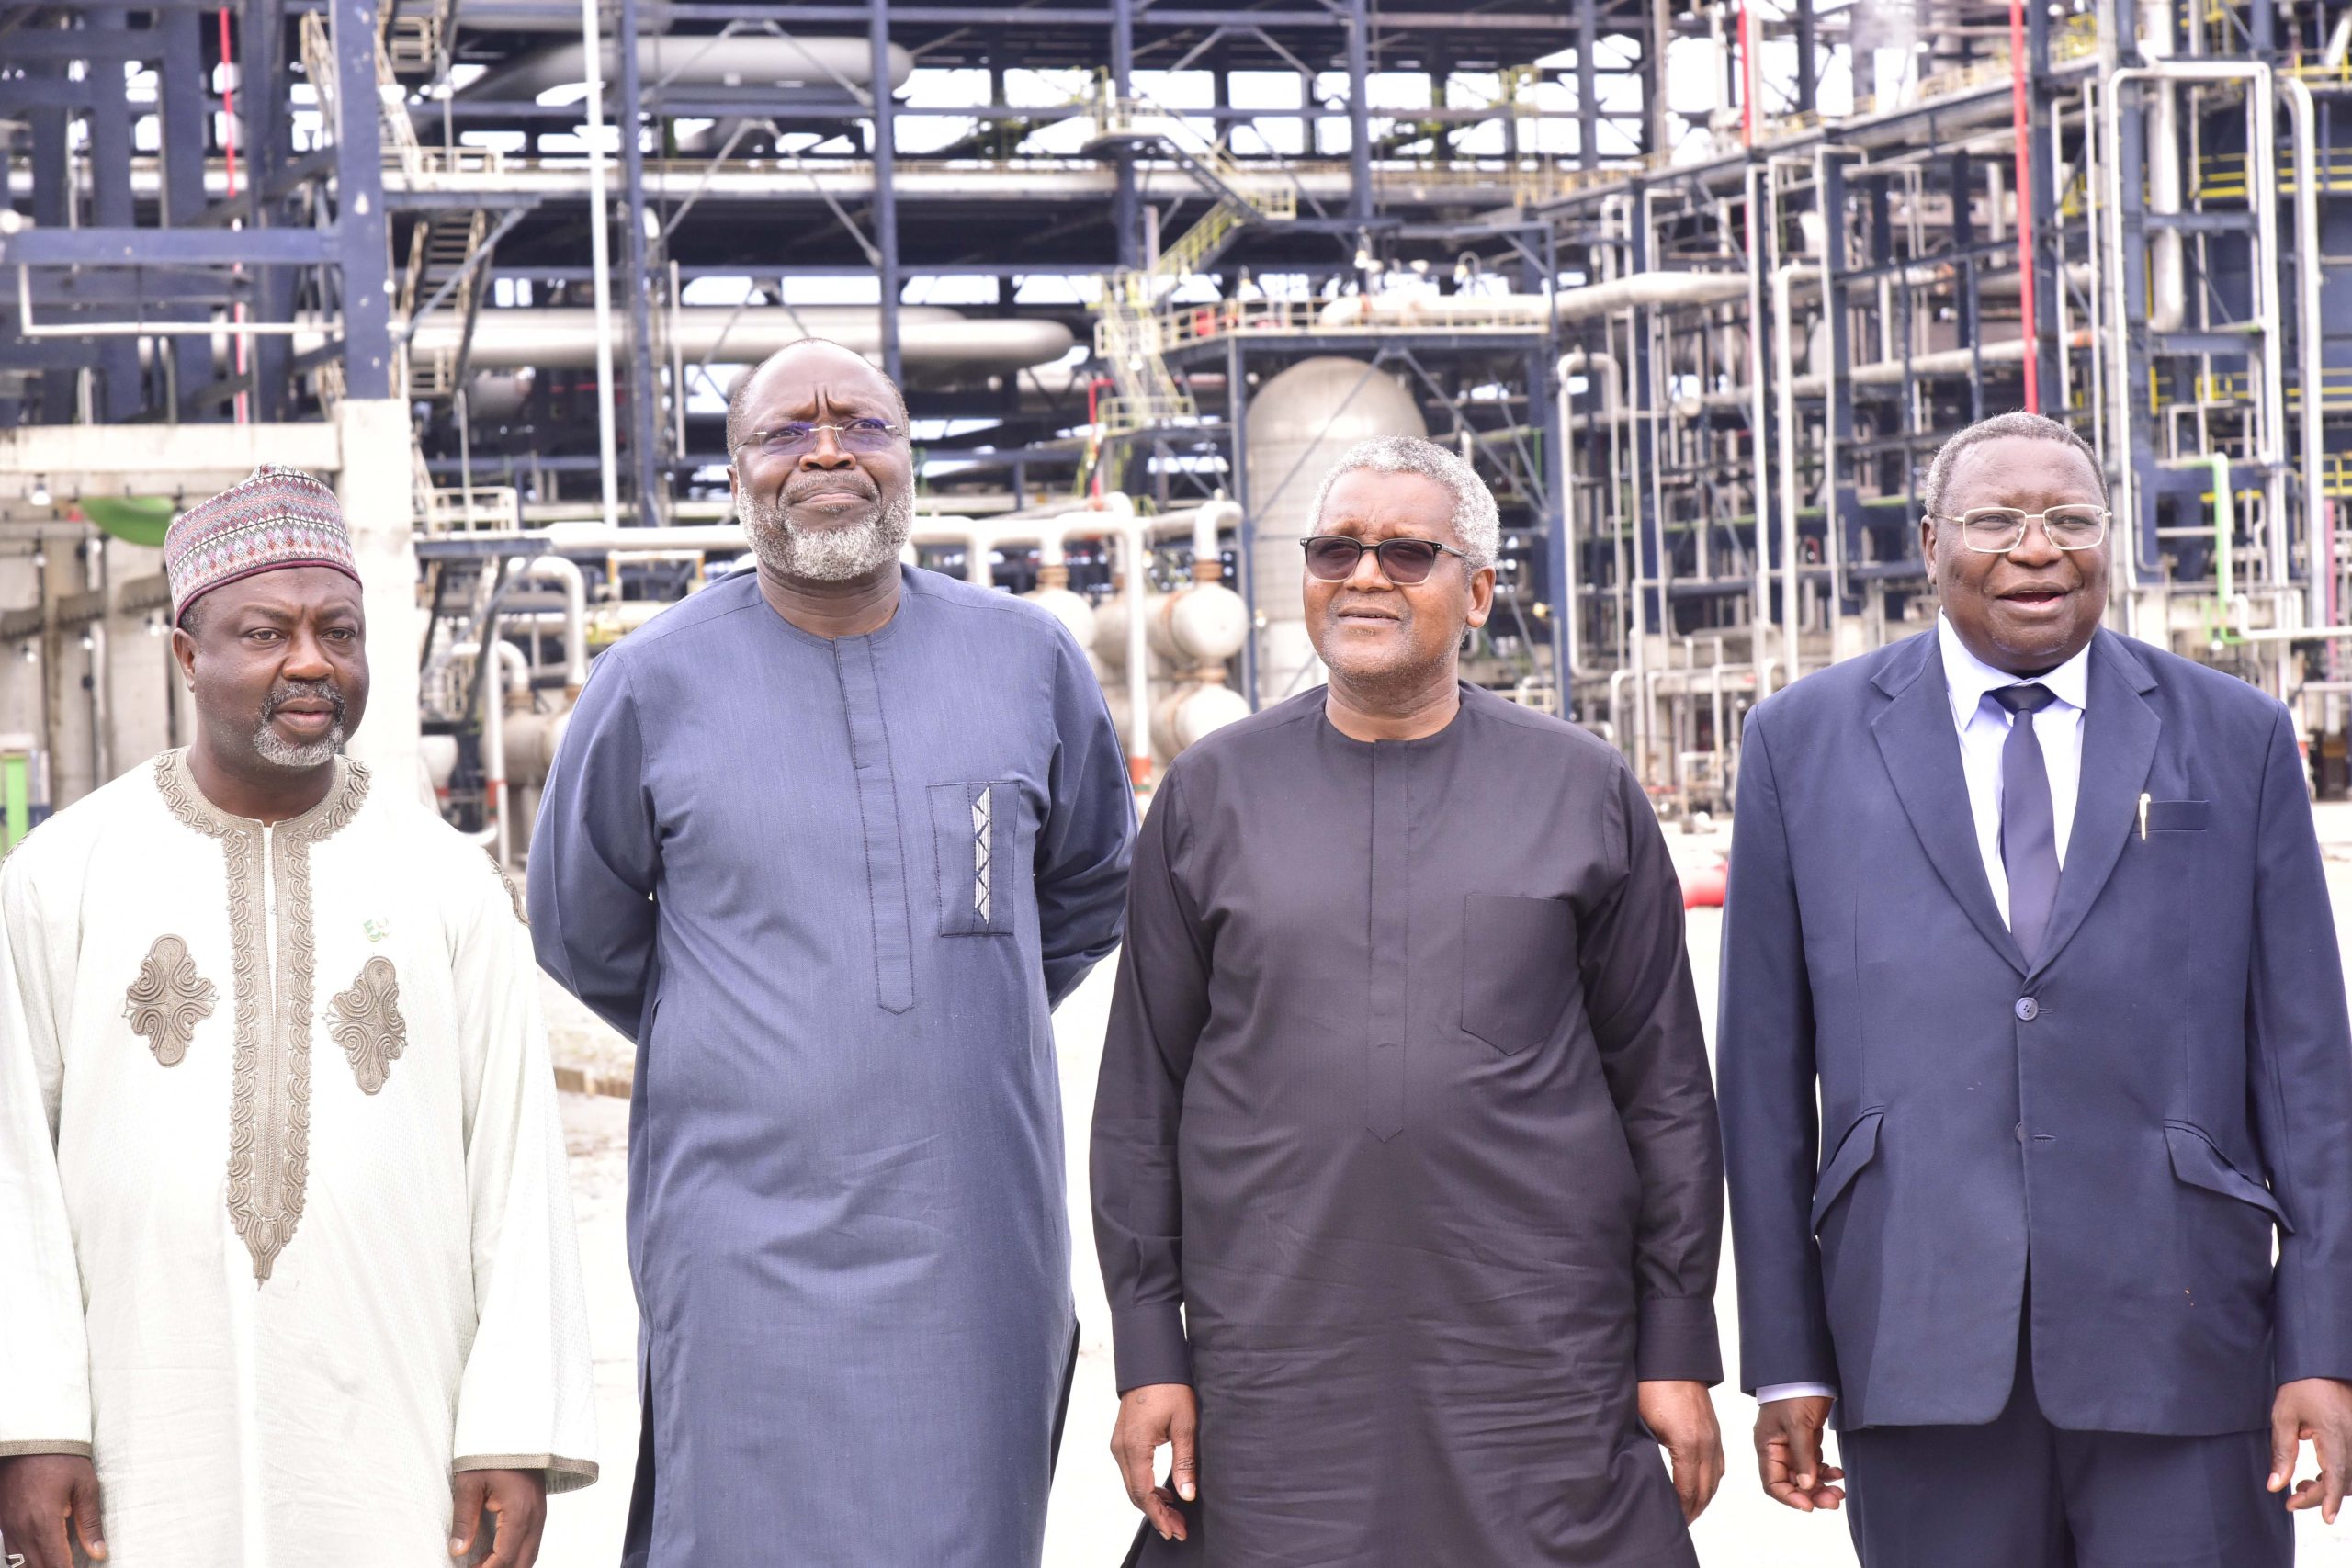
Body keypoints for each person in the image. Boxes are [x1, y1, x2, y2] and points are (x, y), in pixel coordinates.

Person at [528, 339, 1134, 1568]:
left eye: (860, 424)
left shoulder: (1029, 660)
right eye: (782, 432)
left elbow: (1087, 885)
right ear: (736, 471)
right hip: (742, 1234)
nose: (824, 453)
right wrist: (751, 1025)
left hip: (974, 1231)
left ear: (908, 457)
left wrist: (963, 1006)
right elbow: (578, 926)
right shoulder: (648, 682)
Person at [1719, 410, 2352, 1567]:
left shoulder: (2238, 737)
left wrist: (2322, 1346)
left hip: (2186, 1346)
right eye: (1995, 520)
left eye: (2069, 518)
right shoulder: (1796, 745)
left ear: (2111, 540)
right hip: (1913, 1343)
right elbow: (1758, 1084)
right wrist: (1789, 1359)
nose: (2035, 548)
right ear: (1927, 541)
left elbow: (2308, 1076)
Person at [1092, 435, 1725, 1565]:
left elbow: (1667, 1093)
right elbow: (1144, 1099)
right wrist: (1150, 1352)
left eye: (1406, 552)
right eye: (1337, 548)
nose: (1365, 574)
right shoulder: (1208, 798)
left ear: (1477, 591)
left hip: (1536, 1360)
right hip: (1280, 1359)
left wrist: (1675, 1343)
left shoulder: (1581, 789)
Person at [0, 465, 596, 1568]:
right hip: (139, 1437)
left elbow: (515, 1173)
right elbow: (10, 1177)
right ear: (189, 654)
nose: (313, 661)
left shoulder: (448, 881)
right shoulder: (62, 874)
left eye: (340, 631)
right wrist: (29, 1426)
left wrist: (509, 1433)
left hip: (395, 1429)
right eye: (267, 633)